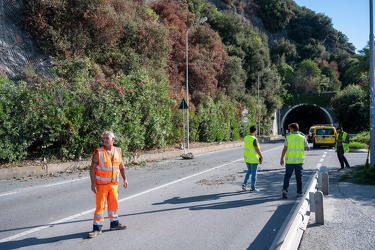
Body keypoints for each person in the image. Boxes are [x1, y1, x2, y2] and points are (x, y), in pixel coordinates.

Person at [88, 131, 128, 238]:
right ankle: (97, 228)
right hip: (101, 185)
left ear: (113, 139)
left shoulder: (118, 151)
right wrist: (93, 183)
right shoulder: (98, 152)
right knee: (100, 207)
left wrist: (125, 179)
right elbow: (92, 169)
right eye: (104, 138)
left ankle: (114, 224)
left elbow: (121, 166)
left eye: (107, 138)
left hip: (114, 184)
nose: (105, 140)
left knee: (113, 205)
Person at [280, 123, 309, 198]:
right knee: (299, 177)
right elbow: (308, 148)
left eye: (290, 129)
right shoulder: (302, 137)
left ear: (293, 129)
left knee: (287, 176)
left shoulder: (288, 137)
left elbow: (285, 148)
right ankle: (299, 192)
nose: (289, 130)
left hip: (289, 161)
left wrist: (282, 158)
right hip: (299, 161)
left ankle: (284, 190)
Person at [242, 125, 263, 192]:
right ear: (255, 131)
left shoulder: (246, 137)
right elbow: (257, 149)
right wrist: (261, 156)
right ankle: (252, 188)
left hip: (247, 158)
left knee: (249, 172)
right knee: (254, 174)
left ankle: (244, 185)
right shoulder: (254, 139)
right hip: (253, 159)